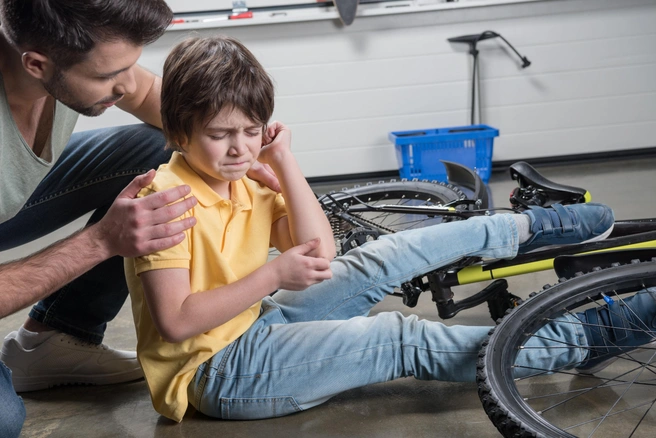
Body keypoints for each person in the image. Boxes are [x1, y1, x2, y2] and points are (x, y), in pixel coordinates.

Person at [125, 34, 656, 424]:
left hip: (257, 322)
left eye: (250, 131)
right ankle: (590, 338)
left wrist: (285, 163)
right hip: (218, 372)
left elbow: (320, 251)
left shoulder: (243, 174)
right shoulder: (164, 201)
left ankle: (525, 226)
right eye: (220, 135)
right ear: (178, 130)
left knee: (385, 256)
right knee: (397, 338)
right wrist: (274, 275)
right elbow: (177, 322)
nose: (240, 148)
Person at [0, 1, 278, 437]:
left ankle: (53, 338)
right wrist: (99, 241)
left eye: (129, 66)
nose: (125, 85)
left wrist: (239, 146)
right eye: (108, 76)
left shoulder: (70, 54)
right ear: (36, 64)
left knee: (160, 145)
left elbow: (153, 98)